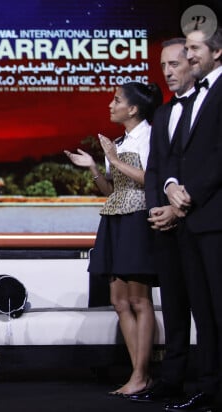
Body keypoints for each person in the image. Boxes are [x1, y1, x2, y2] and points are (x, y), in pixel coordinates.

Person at [65, 81, 163, 397]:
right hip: (114, 220)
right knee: (119, 302)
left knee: (139, 299)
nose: (111, 104)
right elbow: (113, 191)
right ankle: (139, 376)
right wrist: (95, 166)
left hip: (139, 221)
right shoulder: (118, 142)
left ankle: (141, 374)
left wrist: (115, 159)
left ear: (133, 109)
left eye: (116, 99)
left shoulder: (150, 136)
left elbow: (153, 180)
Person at [128, 38, 195, 404]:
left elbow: (201, 166)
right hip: (164, 227)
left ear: (195, 62)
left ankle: (209, 382)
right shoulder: (165, 114)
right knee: (172, 305)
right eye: (163, 65)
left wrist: (178, 207)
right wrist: (157, 208)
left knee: (205, 307)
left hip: (197, 222)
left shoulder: (209, 107)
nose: (167, 72)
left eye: (175, 64)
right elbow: (157, 170)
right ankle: (172, 380)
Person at [163, 27, 222, 412]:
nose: (189, 55)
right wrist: (170, 186)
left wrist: (191, 193)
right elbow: (177, 155)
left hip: (214, 217)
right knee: (203, 311)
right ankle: (209, 386)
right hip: (190, 219)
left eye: (194, 49)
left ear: (217, 52)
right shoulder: (191, 98)